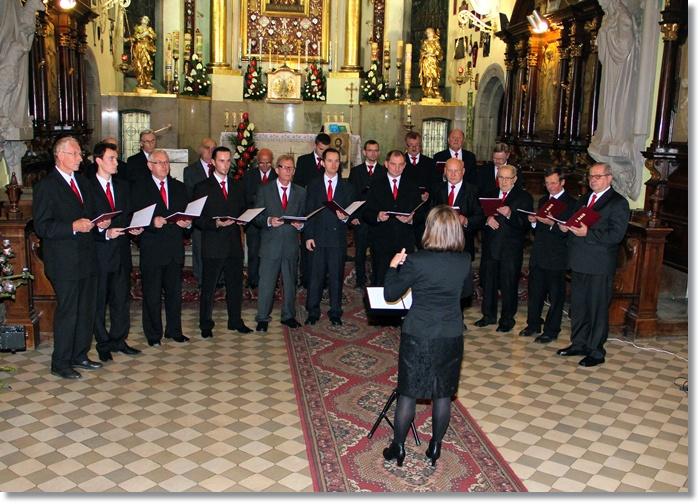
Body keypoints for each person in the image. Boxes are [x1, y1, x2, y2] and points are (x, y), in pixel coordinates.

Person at [382, 205, 472, 468]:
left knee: (408, 393)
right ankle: (435, 447)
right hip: (450, 333)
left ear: (429, 230)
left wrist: (393, 266)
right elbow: (466, 294)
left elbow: (390, 293)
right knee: (443, 394)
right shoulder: (464, 260)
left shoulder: (416, 260)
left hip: (418, 333)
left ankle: (398, 448)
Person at [32, 136, 110, 379]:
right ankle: (61, 362)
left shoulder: (83, 183)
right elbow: (43, 227)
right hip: (64, 261)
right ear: (60, 155)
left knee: (87, 309)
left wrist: (100, 223)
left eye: (79, 154)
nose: (80, 158)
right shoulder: (47, 186)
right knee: (69, 312)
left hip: (87, 258)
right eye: (75, 154)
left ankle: (80, 354)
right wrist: (73, 226)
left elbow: (90, 214)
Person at [557, 162, 629, 367]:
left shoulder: (618, 202)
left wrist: (589, 233)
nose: (593, 180)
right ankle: (579, 343)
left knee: (597, 308)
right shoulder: (584, 199)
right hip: (579, 260)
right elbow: (577, 221)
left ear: (609, 178)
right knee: (579, 306)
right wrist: (567, 227)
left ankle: (596, 350)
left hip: (599, 264)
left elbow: (616, 235)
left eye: (597, 176)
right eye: (591, 176)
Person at [88, 142, 143, 362]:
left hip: (121, 252)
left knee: (121, 299)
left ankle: (119, 339)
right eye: (111, 158)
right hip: (99, 253)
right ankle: (103, 343)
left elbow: (127, 215)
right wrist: (104, 233)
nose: (116, 162)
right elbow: (85, 222)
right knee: (99, 301)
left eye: (116, 158)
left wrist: (134, 228)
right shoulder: (87, 187)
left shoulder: (122, 186)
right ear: (98, 160)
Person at [130, 149, 191, 346]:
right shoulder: (139, 188)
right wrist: (150, 222)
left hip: (174, 248)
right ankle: (153, 334)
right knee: (152, 294)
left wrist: (186, 223)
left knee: (174, 294)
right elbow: (133, 218)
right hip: (153, 248)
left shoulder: (179, 187)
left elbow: (187, 214)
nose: (164, 166)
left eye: (166, 162)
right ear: (150, 165)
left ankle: (174, 330)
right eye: (160, 163)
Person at [193, 146, 253, 338]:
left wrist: (245, 217)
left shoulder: (238, 185)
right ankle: (205, 323)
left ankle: (235, 320)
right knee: (209, 287)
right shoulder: (202, 187)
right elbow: (196, 218)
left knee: (235, 285)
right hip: (213, 244)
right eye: (221, 161)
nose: (225, 165)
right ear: (212, 162)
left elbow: (244, 208)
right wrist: (215, 223)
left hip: (234, 244)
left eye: (228, 161)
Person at [520, 167, 577, 343]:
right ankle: (533, 324)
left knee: (555, 296)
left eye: (553, 183)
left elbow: (569, 233)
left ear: (562, 182)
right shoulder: (545, 199)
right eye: (547, 183)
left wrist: (552, 224)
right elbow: (539, 232)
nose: (550, 186)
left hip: (557, 257)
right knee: (535, 293)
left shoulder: (572, 203)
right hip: (539, 255)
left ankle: (552, 330)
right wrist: (535, 223)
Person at [476, 164, 533, 332]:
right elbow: (478, 216)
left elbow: (525, 225)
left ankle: (507, 319)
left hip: (510, 249)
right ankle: (488, 315)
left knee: (508, 285)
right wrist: (486, 220)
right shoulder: (489, 195)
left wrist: (510, 215)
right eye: (501, 177)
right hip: (490, 247)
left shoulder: (524, 197)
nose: (504, 181)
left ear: (515, 179)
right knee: (488, 282)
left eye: (508, 178)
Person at [253, 154, 306, 332]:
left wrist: (301, 225)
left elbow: (304, 216)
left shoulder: (300, 191)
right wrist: (268, 221)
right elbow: (257, 217)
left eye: (291, 168)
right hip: (270, 245)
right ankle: (262, 317)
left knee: (290, 283)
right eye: (284, 167)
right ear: (277, 170)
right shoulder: (264, 190)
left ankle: (288, 316)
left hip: (290, 244)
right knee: (266, 283)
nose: (288, 171)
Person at [303, 148, 355, 326]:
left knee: (336, 276)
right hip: (317, 237)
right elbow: (308, 211)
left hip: (337, 239)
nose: (333, 164)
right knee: (315, 276)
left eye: (337, 161)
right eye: (330, 161)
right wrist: (308, 236)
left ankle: (335, 312)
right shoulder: (314, 185)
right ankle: (313, 311)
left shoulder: (347, 186)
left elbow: (351, 212)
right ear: (323, 163)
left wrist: (346, 217)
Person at [363, 150, 423, 286]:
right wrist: (377, 216)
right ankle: (378, 307)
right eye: (393, 164)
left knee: (404, 280)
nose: (397, 168)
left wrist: (411, 219)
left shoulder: (412, 185)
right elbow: (366, 212)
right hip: (381, 241)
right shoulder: (375, 184)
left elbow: (421, 213)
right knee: (380, 279)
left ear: (405, 165)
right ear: (386, 164)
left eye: (400, 165)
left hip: (404, 241)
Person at [294, 133, 331, 289]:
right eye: (321, 149)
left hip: (325, 208)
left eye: (326, 150)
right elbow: (297, 184)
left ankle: (323, 279)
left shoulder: (331, 161)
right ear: (315, 145)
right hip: (308, 207)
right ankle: (306, 277)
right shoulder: (303, 161)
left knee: (324, 245)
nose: (324, 153)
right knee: (307, 243)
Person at [430, 158, 484, 263]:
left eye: (457, 171)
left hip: (463, 244)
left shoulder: (473, 190)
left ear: (463, 171)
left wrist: (466, 221)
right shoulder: (436, 189)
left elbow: (480, 216)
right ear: (445, 171)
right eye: (450, 170)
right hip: (440, 243)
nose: (453, 174)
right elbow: (430, 212)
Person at [348, 140, 384, 288]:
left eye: (376, 150)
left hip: (377, 219)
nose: (373, 153)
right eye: (370, 150)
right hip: (360, 218)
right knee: (360, 253)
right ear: (364, 152)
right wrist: (353, 216)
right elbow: (351, 195)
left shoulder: (383, 171)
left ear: (379, 153)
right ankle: (361, 281)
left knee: (377, 252)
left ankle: (376, 281)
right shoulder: (356, 171)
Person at [242, 148, 277, 290]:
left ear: (272, 162)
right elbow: (245, 197)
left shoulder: (277, 175)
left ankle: (269, 280)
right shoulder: (249, 175)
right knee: (254, 252)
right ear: (257, 162)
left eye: (268, 163)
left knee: (270, 253)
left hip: (271, 220)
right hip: (253, 221)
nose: (265, 166)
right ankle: (253, 280)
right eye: (262, 163)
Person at [183, 137, 217, 285]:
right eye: (207, 148)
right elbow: (190, 195)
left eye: (213, 149)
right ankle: (201, 278)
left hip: (217, 216)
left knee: (216, 248)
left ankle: (218, 278)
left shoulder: (220, 167)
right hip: (200, 215)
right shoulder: (190, 170)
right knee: (200, 248)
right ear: (200, 150)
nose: (211, 151)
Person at [131, 15, 156, 90]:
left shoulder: (149, 29)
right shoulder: (138, 28)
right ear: (141, 20)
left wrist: (148, 34)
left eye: (147, 19)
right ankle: (140, 81)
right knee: (139, 65)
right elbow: (135, 37)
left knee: (148, 65)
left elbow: (154, 36)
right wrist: (141, 35)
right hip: (139, 48)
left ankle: (148, 81)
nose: (145, 20)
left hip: (147, 47)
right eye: (144, 19)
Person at [418, 27, 443, 100]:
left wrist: (435, 53)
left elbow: (439, 51)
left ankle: (435, 90)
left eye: (430, 32)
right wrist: (425, 54)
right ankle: (428, 91)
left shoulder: (436, 42)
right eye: (427, 32)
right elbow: (422, 51)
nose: (429, 34)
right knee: (427, 76)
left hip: (433, 62)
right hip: (426, 62)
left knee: (434, 76)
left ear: (433, 33)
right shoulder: (425, 42)